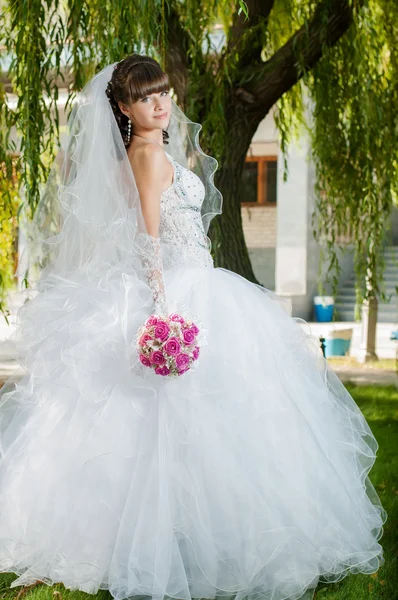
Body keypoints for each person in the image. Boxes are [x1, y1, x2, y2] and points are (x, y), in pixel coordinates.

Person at [0, 54, 386, 600]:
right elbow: (147, 239)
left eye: (163, 93)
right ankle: (185, 536)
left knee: (213, 416)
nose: (160, 103)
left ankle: (184, 531)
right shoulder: (147, 157)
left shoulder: (154, 151)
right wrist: (163, 311)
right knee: (190, 416)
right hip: (179, 289)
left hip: (197, 280)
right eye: (145, 96)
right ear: (123, 106)